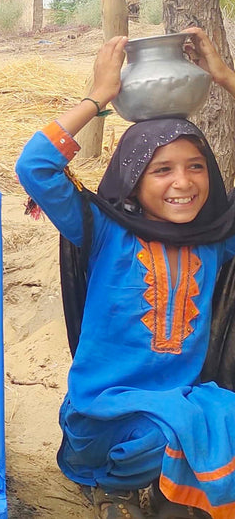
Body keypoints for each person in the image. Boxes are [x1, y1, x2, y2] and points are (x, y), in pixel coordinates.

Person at [16, 34, 235, 518]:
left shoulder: (218, 236)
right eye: (162, 170)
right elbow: (35, 167)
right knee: (178, 435)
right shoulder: (103, 230)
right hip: (107, 420)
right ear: (133, 177)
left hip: (182, 406)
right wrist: (99, 96)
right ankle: (116, 486)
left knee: (206, 423)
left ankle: (167, 491)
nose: (183, 182)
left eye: (196, 166)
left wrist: (223, 77)